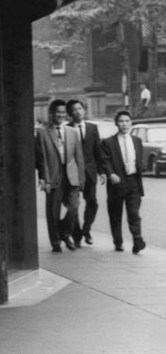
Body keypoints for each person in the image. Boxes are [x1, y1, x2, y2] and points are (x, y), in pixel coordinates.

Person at [34, 99, 84, 253]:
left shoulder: (72, 132)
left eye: (63, 112)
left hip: (71, 175)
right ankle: (55, 242)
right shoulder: (43, 134)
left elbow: (78, 157)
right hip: (53, 175)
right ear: (51, 114)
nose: (61, 115)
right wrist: (44, 179)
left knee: (74, 207)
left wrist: (81, 178)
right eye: (58, 112)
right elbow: (41, 159)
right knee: (53, 212)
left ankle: (65, 232)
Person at [99, 110, 145, 254]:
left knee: (134, 213)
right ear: (116, 123)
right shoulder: (108, 142)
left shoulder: (137, 141)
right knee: (115, 214)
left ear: (131, 123)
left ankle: (137, 240)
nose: (124, 124)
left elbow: (139, 160)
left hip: (133, 182)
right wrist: (110, 174)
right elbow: (104, 160)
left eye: (127, 121)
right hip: (117, 183)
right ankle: (118, 242)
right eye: (121, 121)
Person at [66, 100, 103, 246]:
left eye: (80, 108)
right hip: (73, 173)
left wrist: (102, 171)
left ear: (84, 110)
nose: (78, 111)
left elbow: (97, 151)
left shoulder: (93, 128)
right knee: (73, 205)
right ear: (70, 113)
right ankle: (76, 235)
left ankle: (86, 230)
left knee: (92, 202)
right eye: (74, 110)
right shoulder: (67, 129)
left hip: (89, 171)